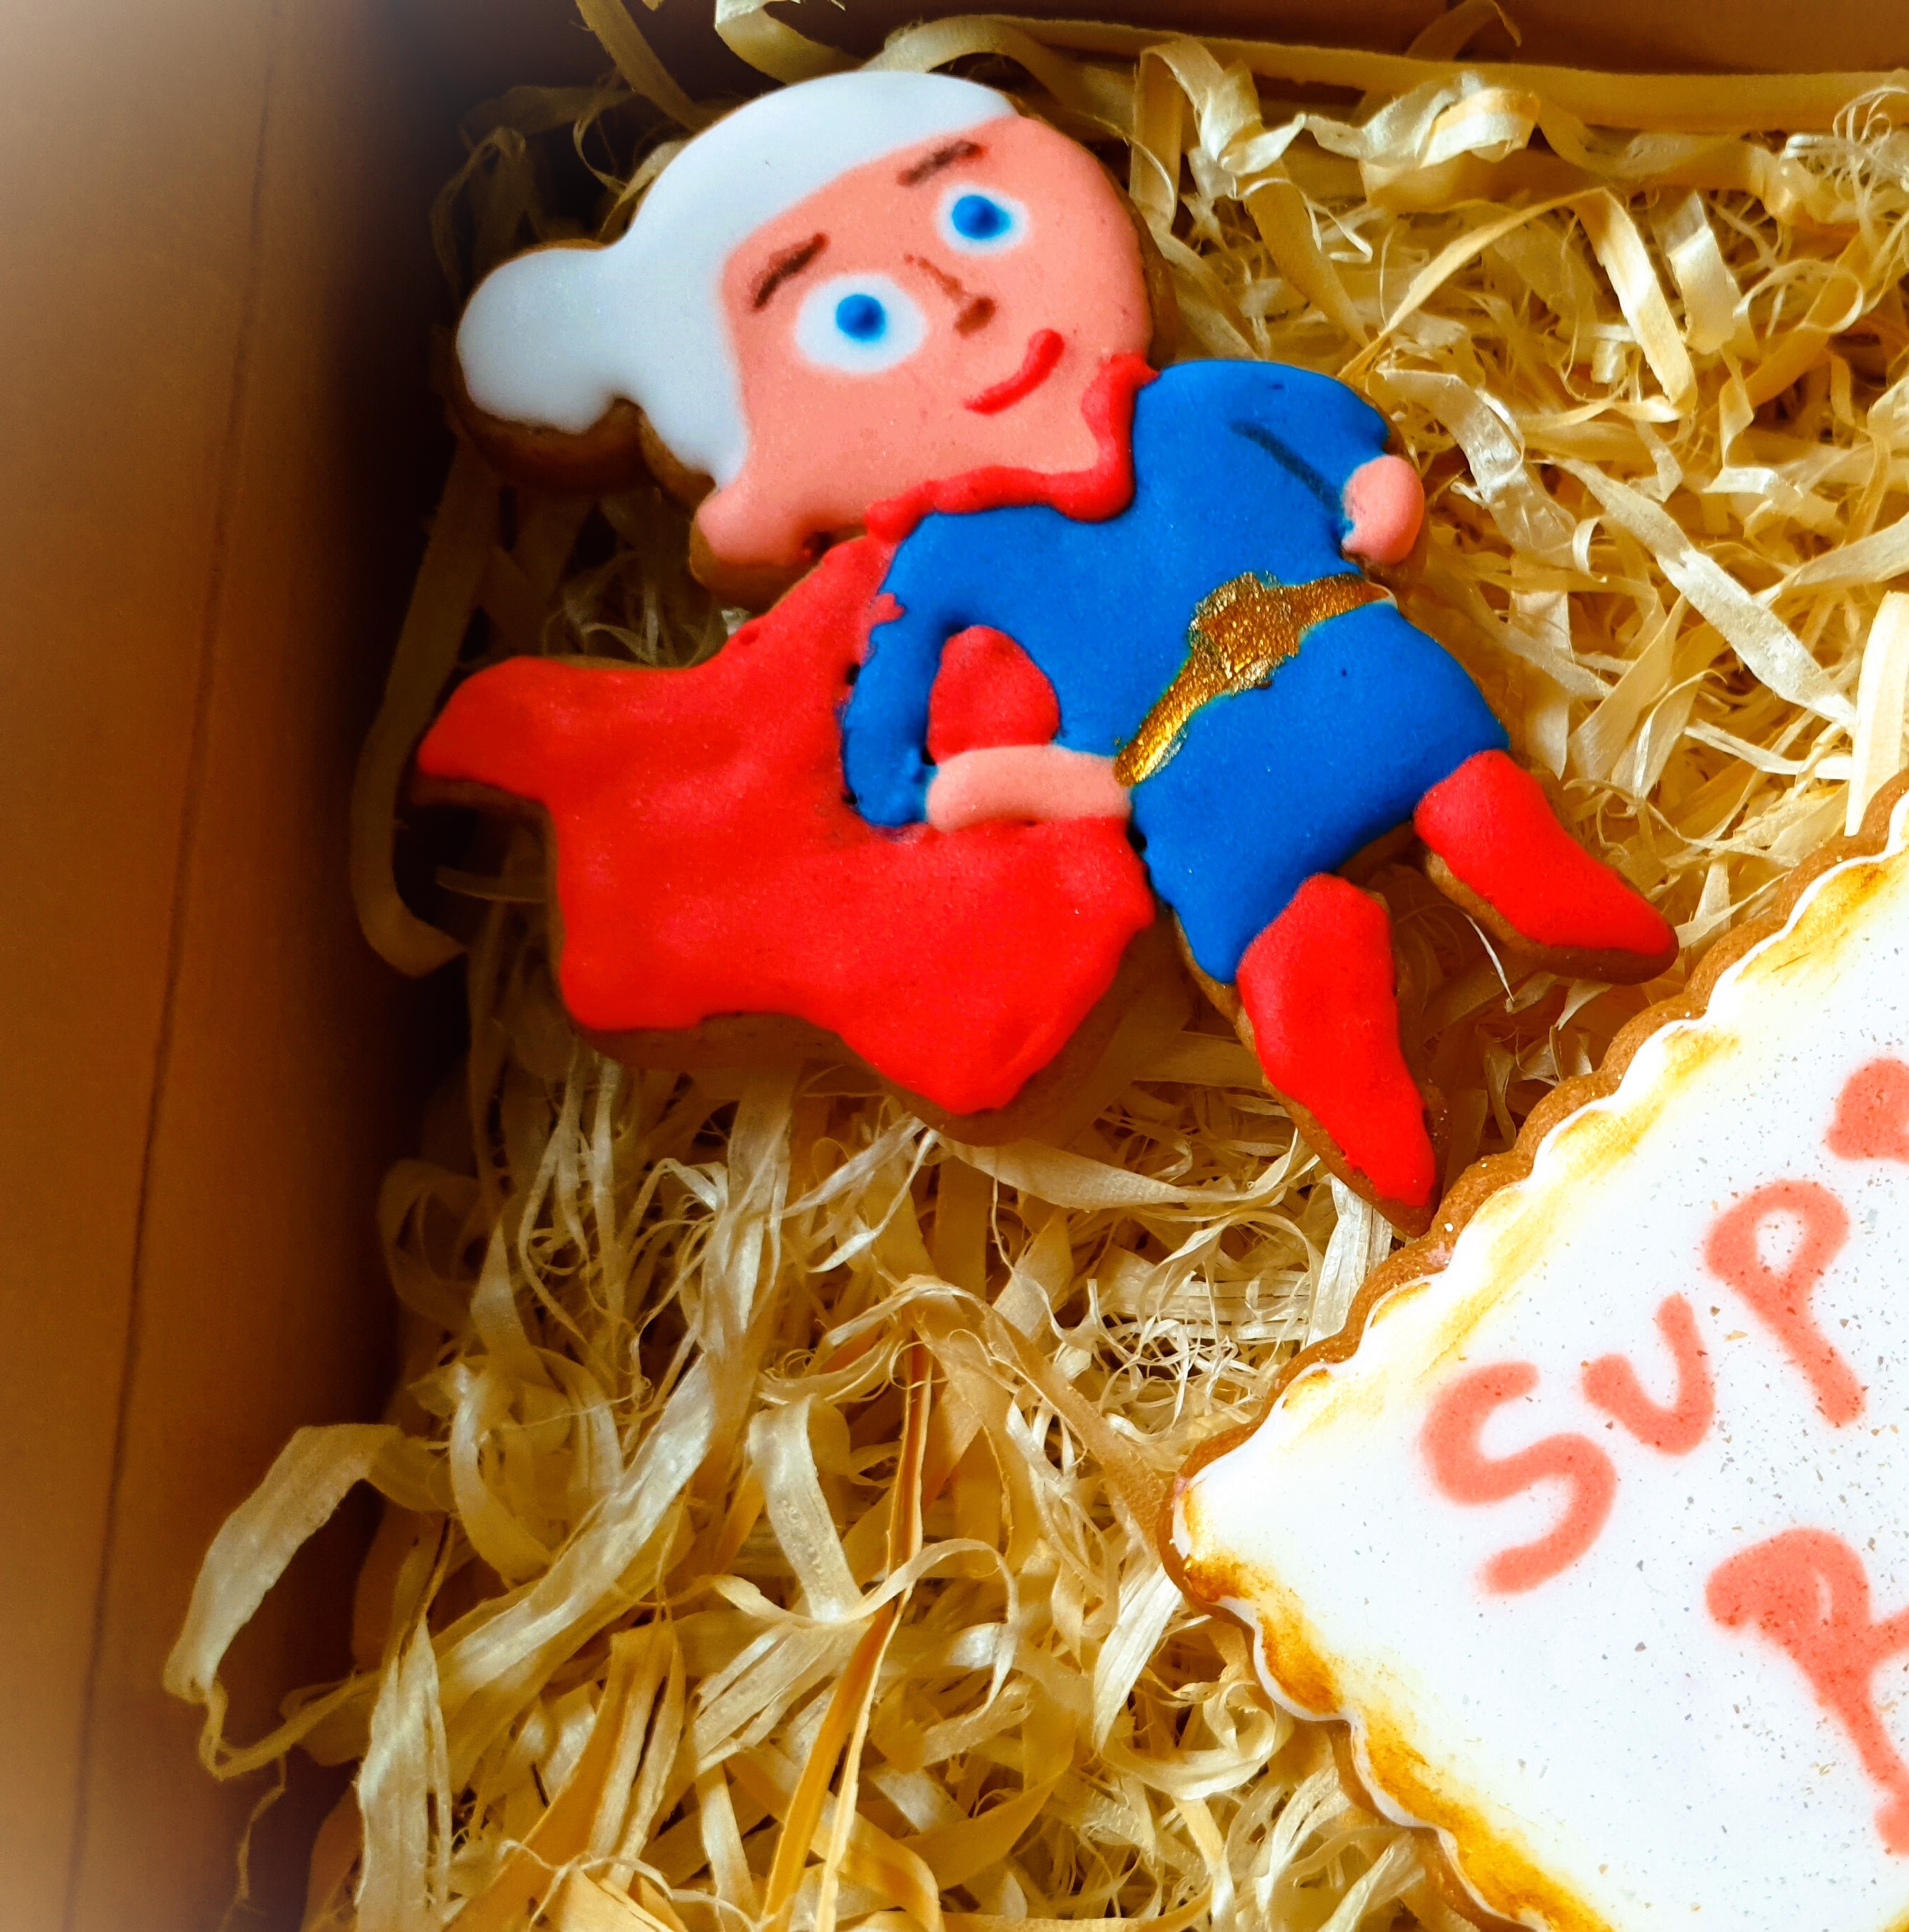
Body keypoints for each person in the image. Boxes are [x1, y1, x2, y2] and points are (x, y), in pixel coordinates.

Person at [426, 70, 1674, 1225]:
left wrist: (1378, 498)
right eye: (859, 319)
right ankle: (1384, 1136)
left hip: (1363, 674)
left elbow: (1340, 438)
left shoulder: (1199, 403)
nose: (964, 299)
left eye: (977, 220)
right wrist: (1015, 782)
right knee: (1292, 958)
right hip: (1190, 782)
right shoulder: (939, 568)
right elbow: (886, 759)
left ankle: (1594, 922)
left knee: (1480, 802)